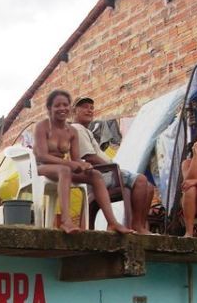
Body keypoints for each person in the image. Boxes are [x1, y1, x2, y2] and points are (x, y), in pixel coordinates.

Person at [33, 90, 134, 235]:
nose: (62, 108)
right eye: (57, 105)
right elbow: (42, 156)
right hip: (41, 167)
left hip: (62, 168)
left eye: (65, 105)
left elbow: (76, 160)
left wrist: (84, 165)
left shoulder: (72, 131)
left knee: (95, 175)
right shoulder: (42, 126)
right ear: (50, 108)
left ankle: (112, 222)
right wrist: (71, 164)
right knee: (65, 170)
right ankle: (66, 221)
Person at [71, 96, 155, 234]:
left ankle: (139, 225)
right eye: (85, 107)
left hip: (104, 173)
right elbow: (89, 157)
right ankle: (137, 226)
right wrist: (113, 168)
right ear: (74, 111)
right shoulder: (77, 129)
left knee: (149, 187)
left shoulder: (86, 131)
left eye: (91, 108)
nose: (89, 110)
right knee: (140, 180)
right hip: (98, 176)